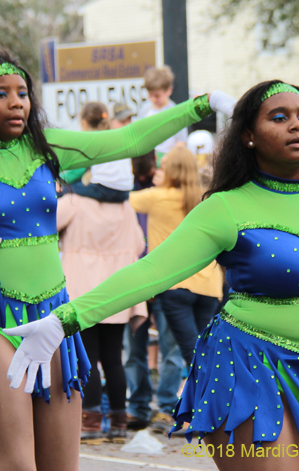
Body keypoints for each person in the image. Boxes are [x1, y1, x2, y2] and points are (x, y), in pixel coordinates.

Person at [5, 80, 299, 470]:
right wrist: (62, 321)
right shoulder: (226, 208)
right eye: (279, 117)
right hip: (248, 366)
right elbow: (150, 272)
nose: (297, 124)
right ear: (247, 135)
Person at [0, 50, 235, 470]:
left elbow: (129, 141)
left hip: (54, 315)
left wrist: (203, 103)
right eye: (0, 93)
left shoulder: (46, 147)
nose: (17, 102)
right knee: (18, 467)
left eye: (22, 92)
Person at [57, 187, 147, 443]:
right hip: (117, 290)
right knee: (113, 359)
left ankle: (91, 423)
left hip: (82, 288)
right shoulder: (126, 207)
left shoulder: (75, 202)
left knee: (88, 357)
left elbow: (46, 225)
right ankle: (119, 422)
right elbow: (139, 244)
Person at [129, 147, 224, 377]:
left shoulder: (157, 197)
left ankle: (210, 406)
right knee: (204, 352)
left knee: (193, 356)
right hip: (209, 285)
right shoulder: (207, 197)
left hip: (175, 284)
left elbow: (117, 195)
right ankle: (208, 406)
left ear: (168, 170)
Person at [122, 150, 185, 432]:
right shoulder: (127, 193)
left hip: (164, 280)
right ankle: (139, 408)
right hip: (138, 277)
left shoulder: (166, 194)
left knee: (167, 349)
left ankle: (166, 407)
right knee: (135, 347)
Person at [64, 102, 134, 203]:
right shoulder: (117, 136)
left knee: (62, 190)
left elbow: (76, 171)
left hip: (104, 189)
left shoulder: (90, 140)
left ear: (84, 122)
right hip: (125, 191)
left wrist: (58, 180)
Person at [140, 66, 188, 162]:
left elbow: (182, 142)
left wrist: (168, 158)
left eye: (157, 96)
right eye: (150, 95)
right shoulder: (145, 110)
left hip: (170, 160)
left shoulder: (176, 112)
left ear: (169, 90)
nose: (153, 99)